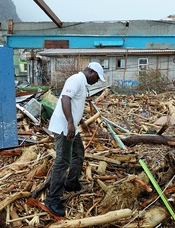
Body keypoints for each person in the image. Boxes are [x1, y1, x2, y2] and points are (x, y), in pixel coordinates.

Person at [45, 62, 105, 217]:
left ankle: (71, 182)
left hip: (71, 126)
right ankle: (52, 199)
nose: (97, 81)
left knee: (78, 152)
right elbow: (65, 99)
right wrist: (71, 123)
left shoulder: (82, 83)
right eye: (97, 78)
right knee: (62, 161)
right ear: (91, 72)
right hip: (64, 127)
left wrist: (82, 122)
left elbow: (75, 104)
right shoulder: (75, 80)